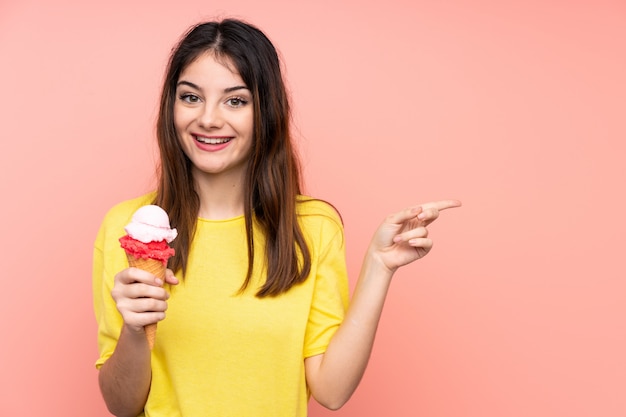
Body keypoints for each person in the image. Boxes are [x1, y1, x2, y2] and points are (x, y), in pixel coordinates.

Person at [93, 18, 461, 417]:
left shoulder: (312, 228)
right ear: (172, 106)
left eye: (235, 100)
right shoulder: (125, 228)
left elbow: (332, 391)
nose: (209, 119)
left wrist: (379, 266)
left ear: (265, 111)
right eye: (191, 97)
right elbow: (121, 404)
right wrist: (134, 329)